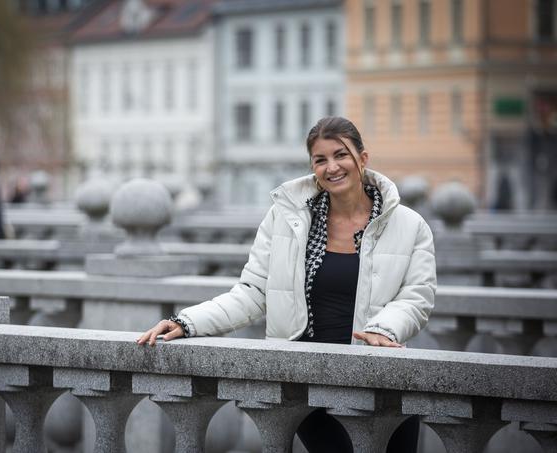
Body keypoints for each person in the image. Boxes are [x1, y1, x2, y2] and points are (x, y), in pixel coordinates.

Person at [137, 116, 436, 452]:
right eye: (320, 159)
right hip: (308, 383)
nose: (332, 167)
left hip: (383, 380)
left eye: (341, 155)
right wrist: (187, 322)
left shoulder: (410, 225)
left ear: (362, 159)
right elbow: (252, 293)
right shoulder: (285, 218)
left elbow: (417, 297)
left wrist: (385, 328)